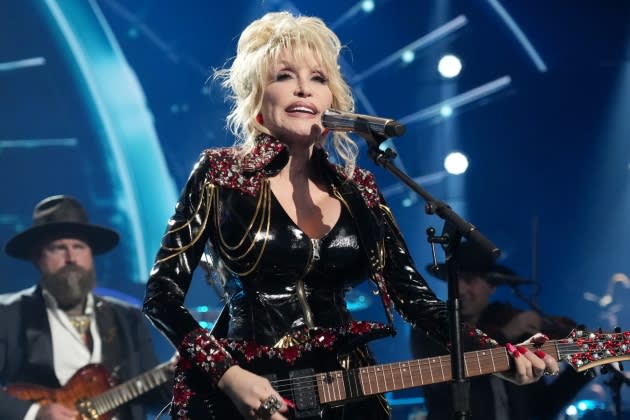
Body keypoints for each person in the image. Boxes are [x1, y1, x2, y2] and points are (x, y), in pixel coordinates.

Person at [142, 11, 559, 420]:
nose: (304, 89)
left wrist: (492, 352)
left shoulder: (359, 188)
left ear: (332, 102)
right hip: (248, 393)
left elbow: (414, 298)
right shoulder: (220, 173)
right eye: (285, 76)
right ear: (258, 101)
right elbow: (161, 295)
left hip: (348, 391)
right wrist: (229, 376)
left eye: (318, 79)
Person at [0, 195, 173, 420]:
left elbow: (155, 398)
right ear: (37, 257)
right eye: (58, 248)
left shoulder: (126, 317)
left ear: (91, 256)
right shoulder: (9, 315)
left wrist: (175, 375)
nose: (71, 257)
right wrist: (34, 413)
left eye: (79, 247)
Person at [410, 240, 592, 420]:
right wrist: (505, 334)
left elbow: (541, 407)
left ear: (492, 285)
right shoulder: (429, 327)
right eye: (454, 280)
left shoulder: (513, 330)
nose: (461, 290)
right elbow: (447, 381)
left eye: (469, 280)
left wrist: (586, 367)